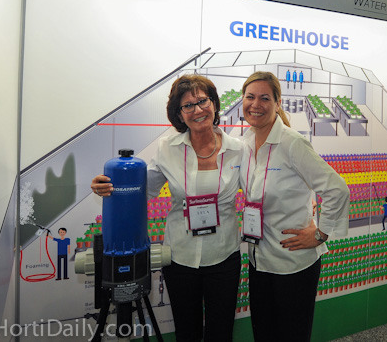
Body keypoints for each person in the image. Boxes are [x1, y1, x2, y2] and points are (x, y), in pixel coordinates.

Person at [91, 74, 243, 342]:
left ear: (214, 103)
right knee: (186, 332)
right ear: (179, 114)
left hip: (224, 255)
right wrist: (108, 186)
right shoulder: (167, 148)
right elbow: (143, 190)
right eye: (188, 105)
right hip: (180, 257)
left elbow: (260, 189)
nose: (197, 110)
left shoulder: (239, 150)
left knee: (221, 333)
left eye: (202, 101)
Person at [240, 71, 350, 341]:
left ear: (278, 103)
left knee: (292, 335)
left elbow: (337, 189)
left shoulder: (293, 143)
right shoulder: (244, 142)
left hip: (293, 263)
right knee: (264, 334)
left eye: (265, 98)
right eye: (250, 97)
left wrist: (321, 233)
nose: (256, 104)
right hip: (258, 259)